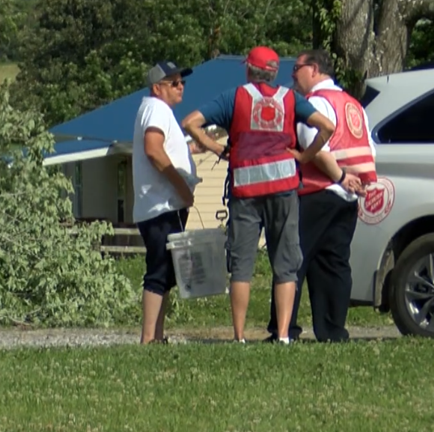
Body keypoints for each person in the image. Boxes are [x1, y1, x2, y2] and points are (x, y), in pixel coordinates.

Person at [180, 46, 335, 344]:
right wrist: (305, 157)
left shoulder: (234, 97)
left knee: (242, 264)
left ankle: (238, 335)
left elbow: (190, 123)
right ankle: (283, 334)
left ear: (249, 69)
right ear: (275, 73)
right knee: (286, 262)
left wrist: (218, 149)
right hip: (284, 189)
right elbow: (327, 127)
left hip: (246, 190)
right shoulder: (290, 99)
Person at [266, 49, 375, 342]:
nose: (293, 75)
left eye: (297, 69)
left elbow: (312, 147)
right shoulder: (353, 104)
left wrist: (338, 175)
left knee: (291, 260)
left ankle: (284, 330)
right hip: (348, 197)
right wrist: (352, 181)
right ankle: (332, 330)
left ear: (313, 69)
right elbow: (370, 149)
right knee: (334, 262)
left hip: (316, 191)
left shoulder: (314, 103)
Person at [131, 61, 199, 344]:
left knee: (167, 273)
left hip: (164, 205)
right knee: (158, 271)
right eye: (173, 82)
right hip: (161, 205)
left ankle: (157, 336)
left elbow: (167, 148)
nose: (180, 86)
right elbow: (154, 150)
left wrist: (195, 148)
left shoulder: (159, 111)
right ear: (157, 88)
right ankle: (148, 339)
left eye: (181, 81)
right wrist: (182, 187)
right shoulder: (157, 109)